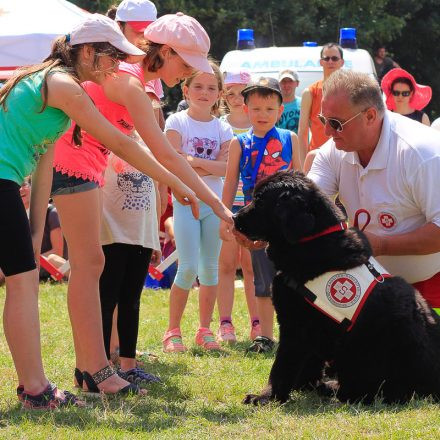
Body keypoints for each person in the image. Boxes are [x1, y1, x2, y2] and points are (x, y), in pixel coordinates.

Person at [0, 12, 179, 408]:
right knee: (23, 283)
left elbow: (43, 164)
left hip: (7, 183)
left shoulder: (52, 86)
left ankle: (37, 388)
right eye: (111, 56)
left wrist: (34, 232)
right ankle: (35, 391)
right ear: (85, 52)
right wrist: (180, 182)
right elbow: (122, 144)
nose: (117, 66)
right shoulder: (66, 86)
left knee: (23, 280)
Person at [51, 13, 232, 394]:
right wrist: (212, 201)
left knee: (92, 266)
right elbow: (161, 152)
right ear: (164, 51)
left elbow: (152, 152)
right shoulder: (130, 83)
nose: (186, 75)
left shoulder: (135, 80)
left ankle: (95, 368)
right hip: (74, 165)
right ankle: (95, 370)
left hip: (86, 167)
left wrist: (189, 189)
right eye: (184, 64)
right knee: (90, 268)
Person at [308, 69, 440, 314]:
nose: (327, 132)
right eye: (324, 120)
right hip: (373, 287)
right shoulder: (333, 150)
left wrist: (381, 245)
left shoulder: (424, 154)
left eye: (336, 123)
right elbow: (307, 207)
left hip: (433, 288)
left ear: (370, 116)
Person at [221, 77, 301, 353]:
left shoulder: (290, 139)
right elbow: (231, 182)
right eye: (256, 109)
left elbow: (301, 179)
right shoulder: (238, 143)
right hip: (259, 221)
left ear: (280, 111)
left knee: (294, 278)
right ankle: (265, 336)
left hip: (288, 221)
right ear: (245, 108)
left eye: (269, 109)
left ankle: (296, 335)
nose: (262, 115)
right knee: (262, 279)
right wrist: (225, 217)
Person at [162, 60, 233, 352]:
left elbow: (227, 167)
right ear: (186, 89)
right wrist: (206, 166)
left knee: (210, 269)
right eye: (199, 86)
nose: (205, 92)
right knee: (188, 267)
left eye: (211, 87)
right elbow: (172, 161)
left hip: (212, 206)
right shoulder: (175, 122)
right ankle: (172, 331)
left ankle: (204, 330)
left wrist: (193, 163)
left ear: (219, 93)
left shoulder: (224, 128)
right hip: (185, 202)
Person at [216, 70, 260, 344]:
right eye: (229, 92)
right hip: (227, 202)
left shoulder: (261, 125)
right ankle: (225, 322)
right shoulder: (219, 125)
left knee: (252, 266)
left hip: (255, 205)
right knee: (227, 264)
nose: (234, 98)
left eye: (240, 92)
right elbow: (223, 169)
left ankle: (257, 322)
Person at [298, 43, 344, 168]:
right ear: (321, 62)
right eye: (326, 58)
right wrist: (303, 167)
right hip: (318, 158)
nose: (330, 62)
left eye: (334, 58)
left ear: (342, 62)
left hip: (345, 157)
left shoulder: (350, 91)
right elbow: (302, 133)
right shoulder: (310, 92)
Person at [276, 69, 301, 133]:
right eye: (283, 81)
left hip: (299, 143)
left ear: (297, 83)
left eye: (290, 81)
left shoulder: (304, 103)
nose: (286, 85)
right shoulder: (272, 105)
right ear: (278, 84)